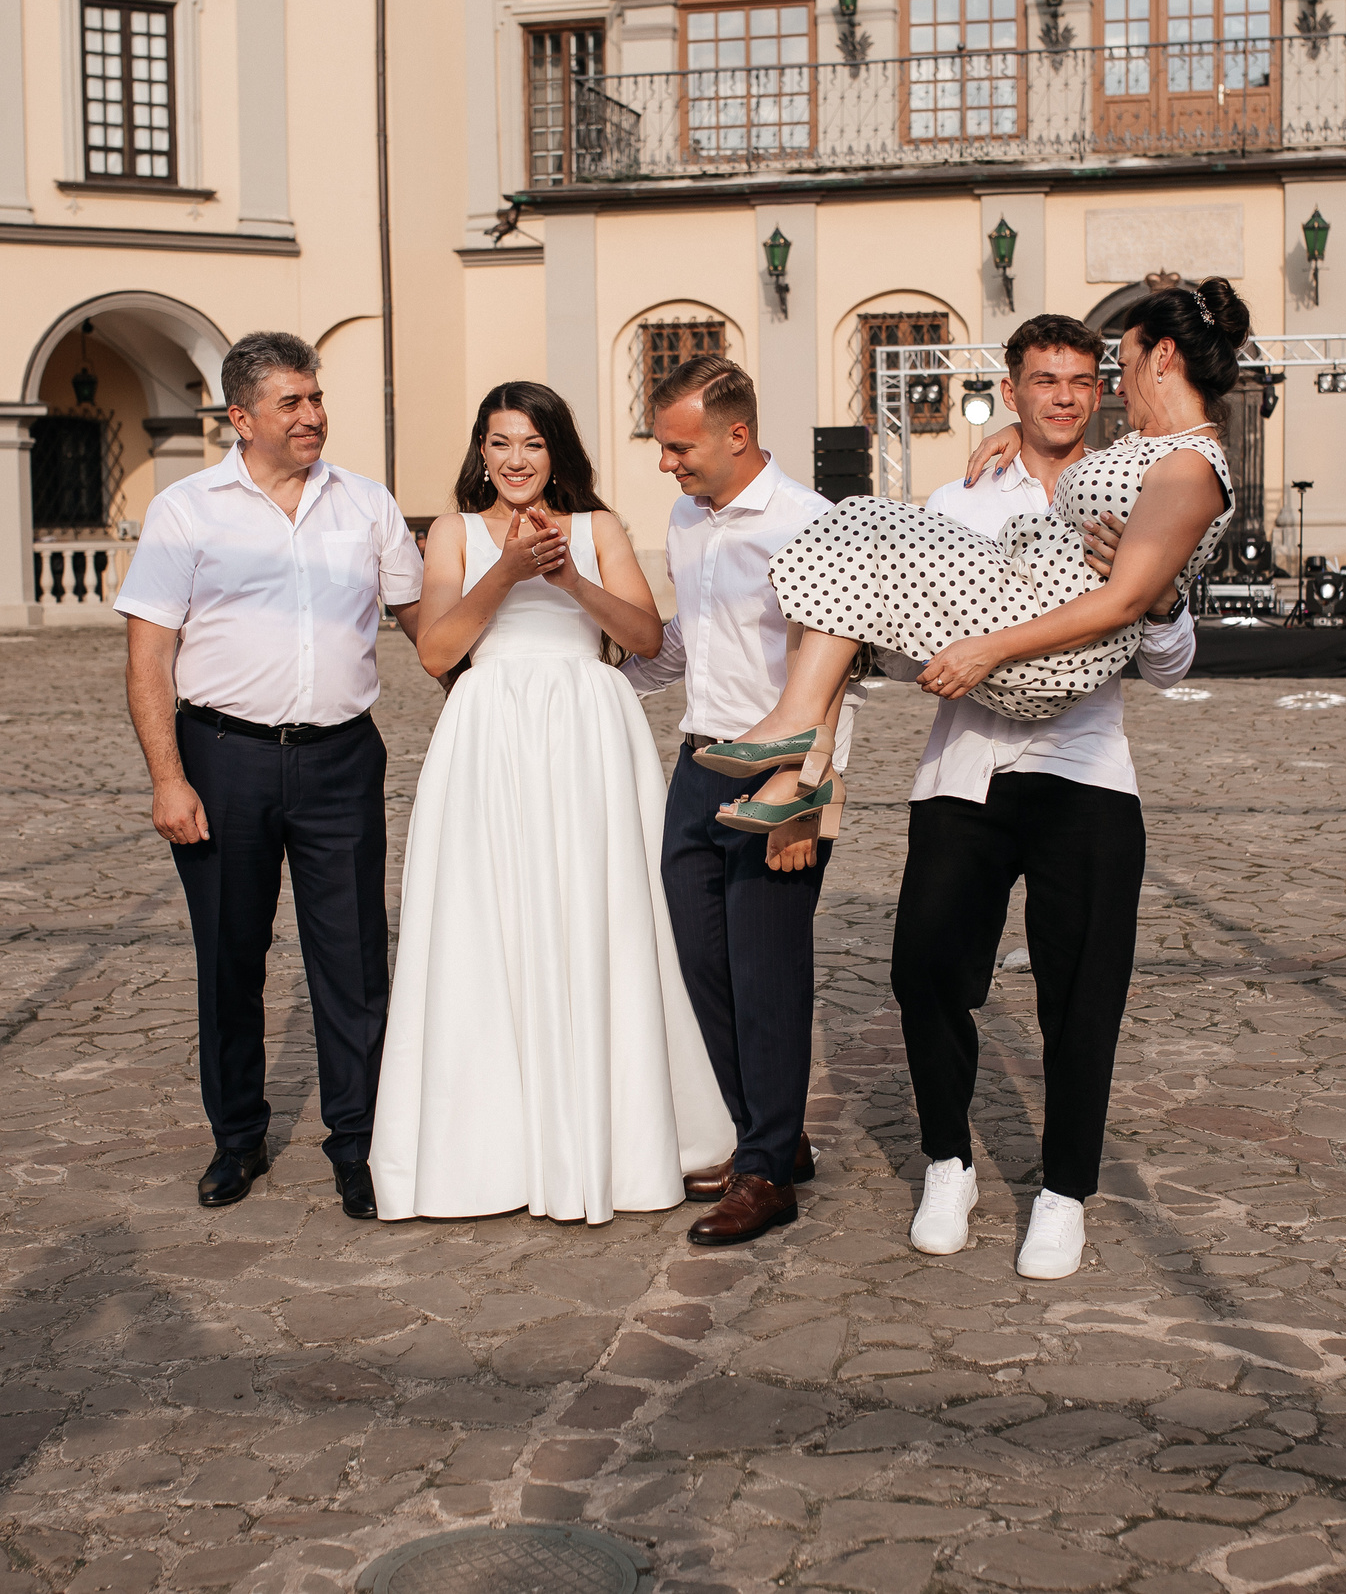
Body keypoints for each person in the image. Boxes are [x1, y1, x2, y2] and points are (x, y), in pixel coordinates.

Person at [692, 280, 1245, 850]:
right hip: (990, 689)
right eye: (1045, 385)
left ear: (1163, 357)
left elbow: (1127, 600)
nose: (1119, 388)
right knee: (843, 554)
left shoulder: (1190, 466)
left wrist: (992, 647)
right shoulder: (1151, 447)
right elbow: (1099, 478)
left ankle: (801, 733)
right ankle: (805, 763)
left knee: (856, 521)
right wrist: (1018, 429)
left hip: (1047, 664)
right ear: (1014, 392)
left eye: (1121, 366)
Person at [369, 382, 736, 1223]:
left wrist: (570, 576)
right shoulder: (453, 534)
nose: (515, 460)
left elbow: (643, 640)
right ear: (482, 452)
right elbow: (435, 653)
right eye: (499, 444)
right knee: (486, 920)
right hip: (488, 733)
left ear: (556, 450)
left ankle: (626, 1135)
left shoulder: (599, 528)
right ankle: (491, 1148)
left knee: (601, 916)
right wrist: (504, 569)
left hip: (587, 731)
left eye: (532, 443)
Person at [888, 313, 1198, 1280]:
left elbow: (1176, 668)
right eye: (1043, 379)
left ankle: (1063, 1192)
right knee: (925, 969)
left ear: (1100, 388)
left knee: (1083, 996)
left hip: (1087, 771)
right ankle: (949, 1163)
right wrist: (950, 645)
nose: (1063, 395)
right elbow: (904, 642)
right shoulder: (960, 500)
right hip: (966, 768)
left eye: (1079, 379)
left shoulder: (1144, 493)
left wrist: (1154, 598)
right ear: (1011, 389)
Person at [117, 332, 424, 1215]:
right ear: (240, 417)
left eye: (316, 397)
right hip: (222, 760)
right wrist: (168, 779)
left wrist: (505, 679)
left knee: (355, 956)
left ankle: (358, 1142)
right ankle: (237, 1138)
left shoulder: (365, 503)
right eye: (291, 402)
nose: (313, 416)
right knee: (229, 957)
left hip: (340, 758)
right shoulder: (187, 510)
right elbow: (149, 656)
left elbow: (423, 625)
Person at [621, 356, 844, 1247]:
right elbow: (689, 645)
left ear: (737, 434)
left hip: (781, 770)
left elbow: (835, 677)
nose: (667, 463)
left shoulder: (810, 523)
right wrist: (615, 667)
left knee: (768, 974)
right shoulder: (686, 517)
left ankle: (764, 1171)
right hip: (698, 760)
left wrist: (803, 795)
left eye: (680, 446)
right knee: (701, 964)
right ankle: (771, 1138)